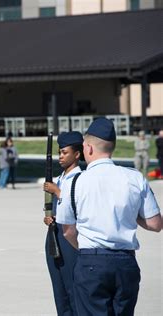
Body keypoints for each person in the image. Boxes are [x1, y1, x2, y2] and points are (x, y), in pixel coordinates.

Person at [56, 118, 162, 316]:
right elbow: (155, 224)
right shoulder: (134, 177)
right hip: (125, 262)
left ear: (88, 148)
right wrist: (130, 212)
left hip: (91, 262)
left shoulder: (75, 182)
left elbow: (68, 230)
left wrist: (87, 251)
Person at [43, 131, 84, 316]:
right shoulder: (60, 178)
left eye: (65, 152)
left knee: (73, 289)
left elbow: (78, 207)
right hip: (54, 234)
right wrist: (49, 216)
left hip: (71, 236)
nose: (60, 156)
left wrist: (58, 192)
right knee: (59, 291)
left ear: (77, 154)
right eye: (59, 152)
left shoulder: (81, 179)